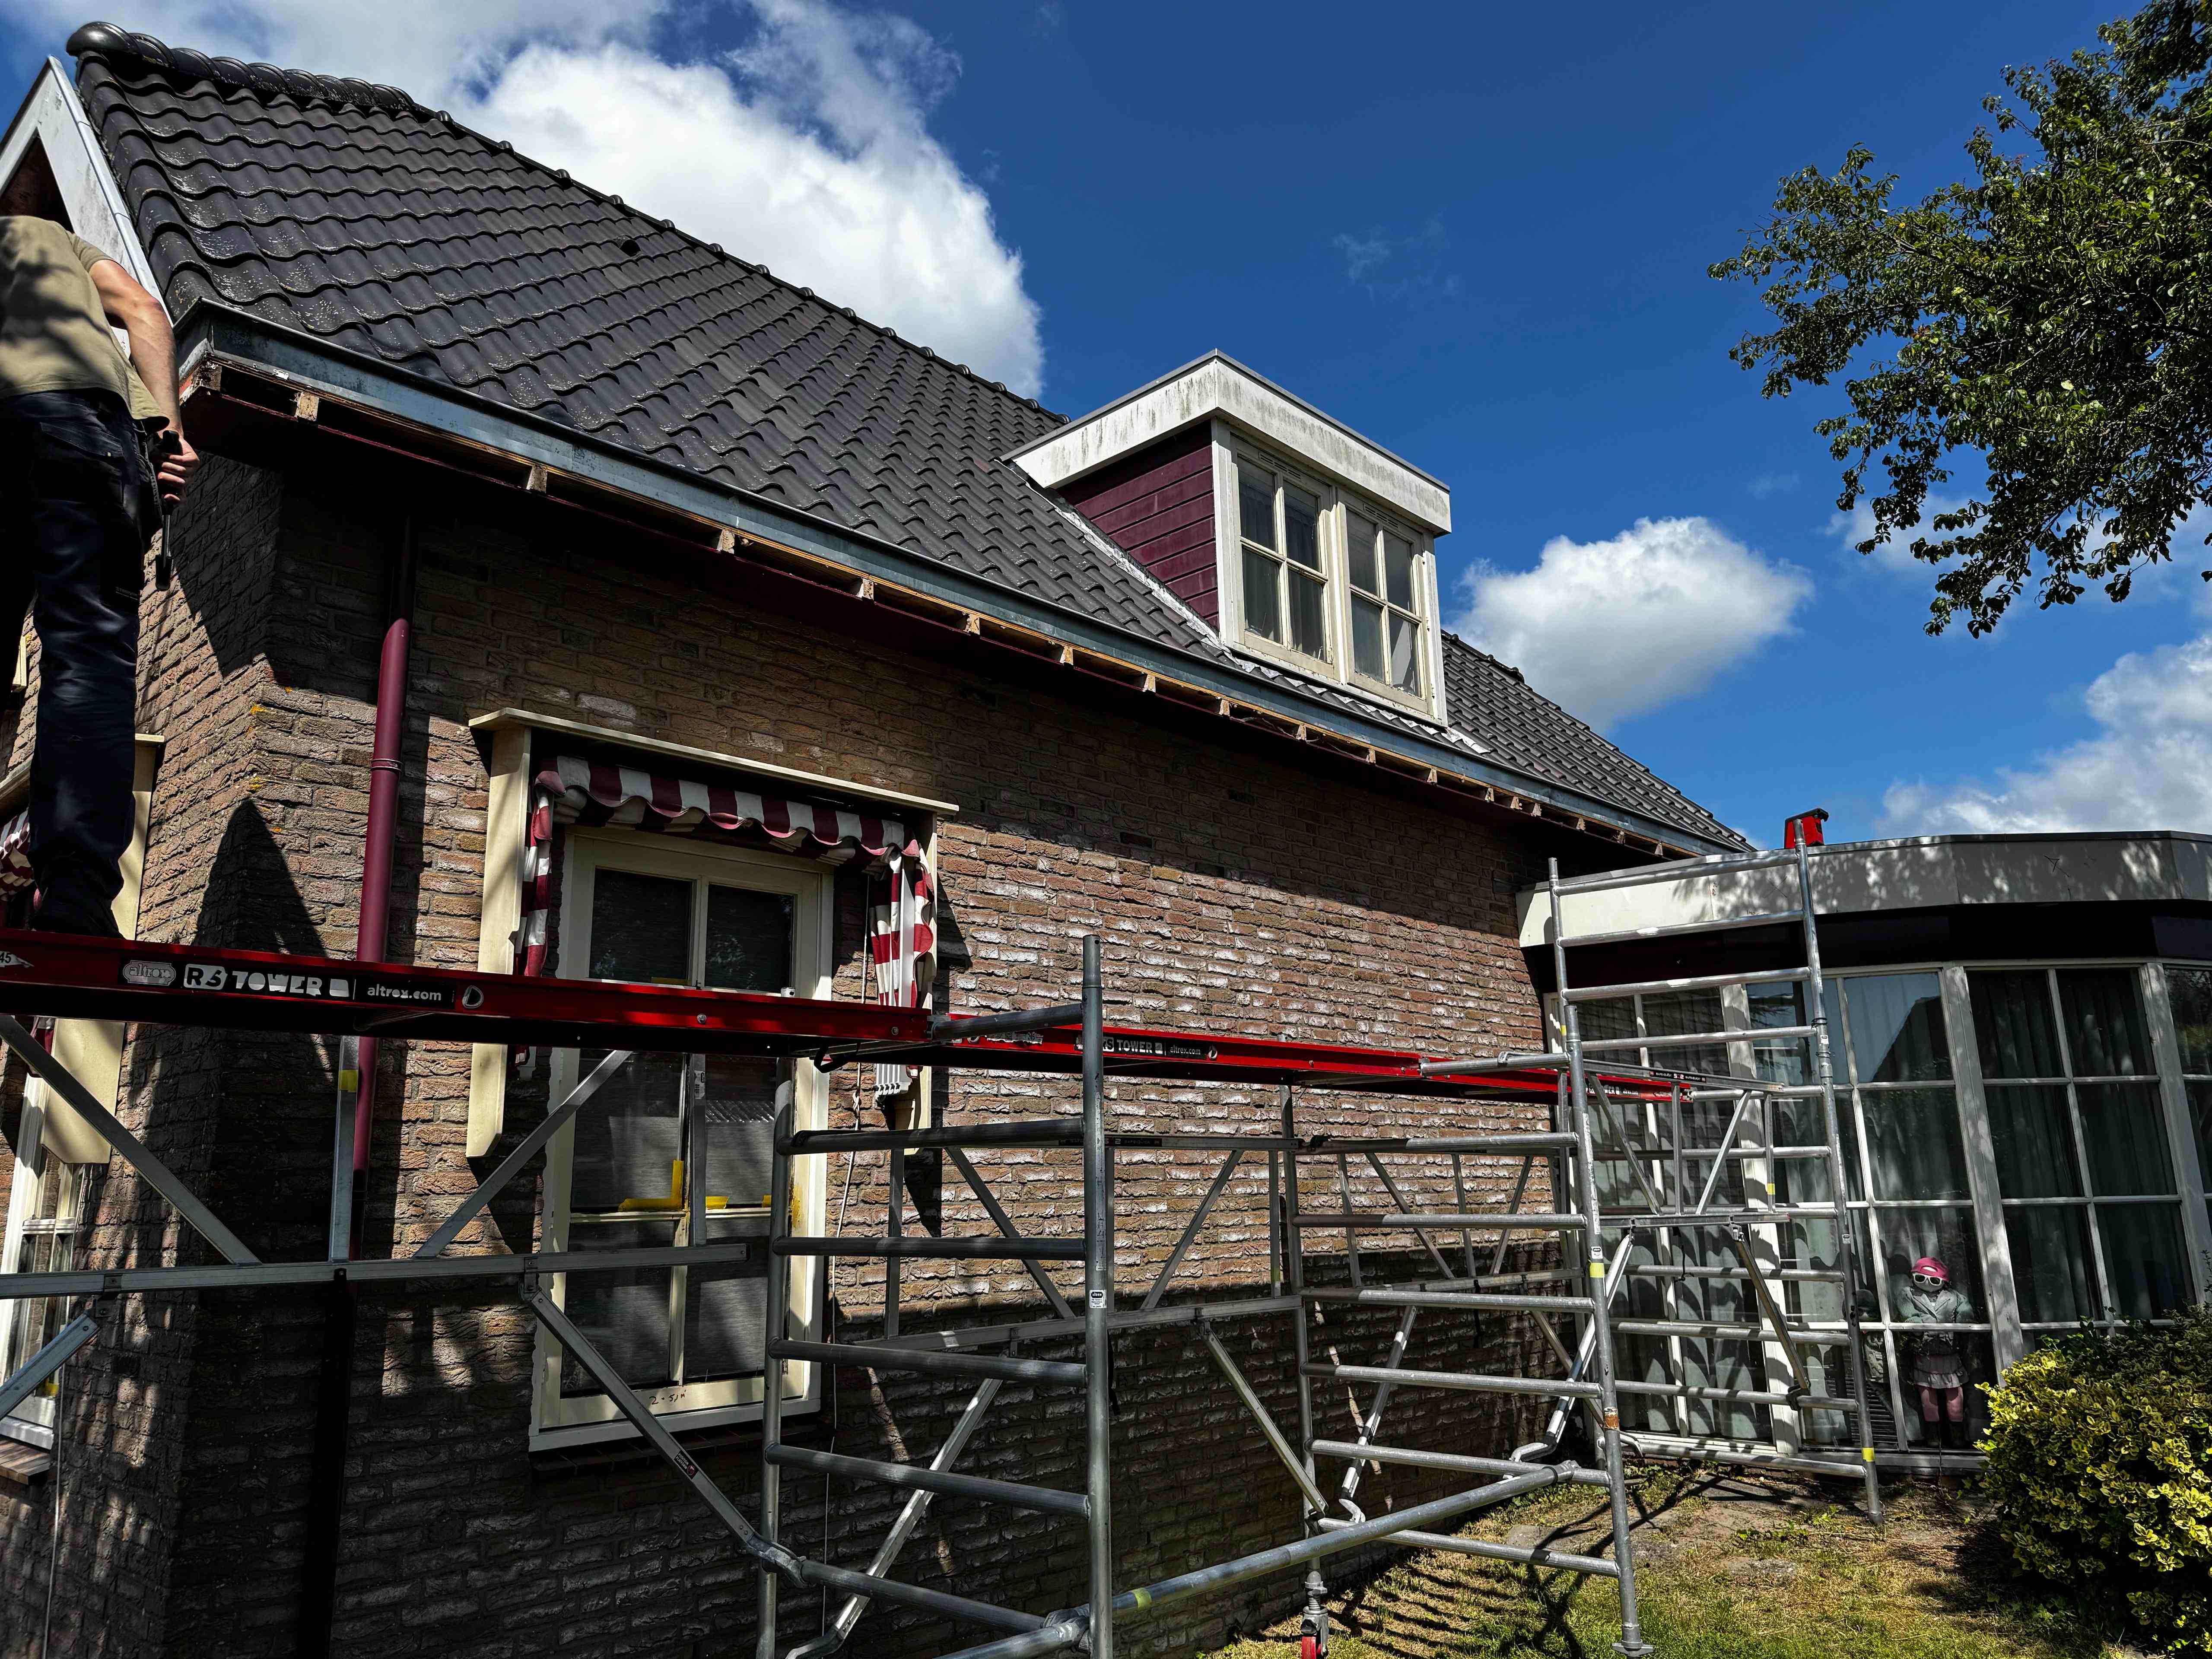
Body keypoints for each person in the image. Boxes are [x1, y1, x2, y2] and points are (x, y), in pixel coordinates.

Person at [0, 172, 197, 935]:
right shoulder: (54, 241)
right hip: (78, 435)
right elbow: (145, 310)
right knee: (85, 653)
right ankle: (76, 901)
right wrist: (170, 433)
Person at [1898, 1255, 1975, 1451]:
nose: (1927, 1284)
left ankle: (1957, 1434)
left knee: (1955, 1394)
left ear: (1944, 1282)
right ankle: (1934, 1436)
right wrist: (1912, 1321)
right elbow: (1908, 1312)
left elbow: (1964, 1309)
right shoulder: (1909, 1294)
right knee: (1927, 1396)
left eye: (1934, 1280)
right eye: (1921, 1278)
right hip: (1925, 1353)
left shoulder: (1954, 1297)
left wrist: (1964, 1318)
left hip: (1949, 1351)